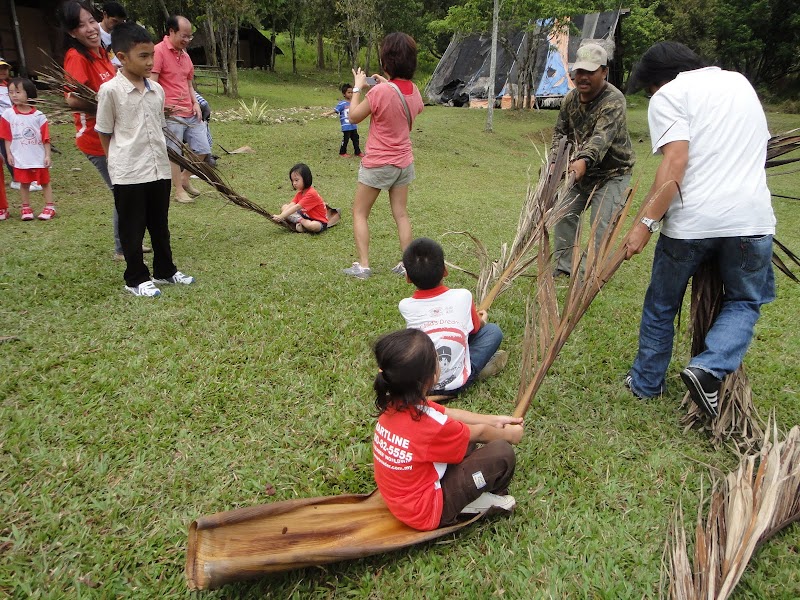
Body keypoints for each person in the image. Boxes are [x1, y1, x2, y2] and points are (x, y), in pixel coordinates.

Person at [623, 42, 776, 418]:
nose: (650, 97)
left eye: (648, 90)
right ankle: (710, 365)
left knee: (661, 304)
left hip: (690, 224)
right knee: (745, 300)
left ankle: (645, 384)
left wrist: (645, 223)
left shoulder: (670, 95)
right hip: (751, 219)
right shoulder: (740, 84)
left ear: (661, 79)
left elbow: (675, 162)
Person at [372, 328, 524, 531]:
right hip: (427, 511)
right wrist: (509, 435)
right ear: (429, 378)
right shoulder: (429, 426)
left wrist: (493, 420)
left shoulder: (397, 405)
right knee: (501, 453)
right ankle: (471, 503)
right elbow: (478, 433)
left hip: (400, 500)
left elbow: (448, 413)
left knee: (463, 440)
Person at [96, 22, 195, 297]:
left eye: (151, 54)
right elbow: (105, 132)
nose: (150, 61)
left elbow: (159, 128)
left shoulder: (156, 91)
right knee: (133, 228)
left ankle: (165, 271)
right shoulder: (110, 91)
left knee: (160, 226)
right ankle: (135, 278)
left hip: (158, 169)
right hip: (129, 172)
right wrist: (116, 161)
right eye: (143, 56)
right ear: (122, 56)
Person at [61, 0, 149, 259]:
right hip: (95, 139)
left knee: (129, 189)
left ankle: (128, 240)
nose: (90, 28)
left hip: (116, 135)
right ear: (71, 32)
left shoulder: (101, 52)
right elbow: (72, 99)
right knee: (123, 191)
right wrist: (108, 102)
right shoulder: (76, 57)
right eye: (81, 25)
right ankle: (123, 247)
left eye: (91, 21)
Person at [342, 32, 424, 280]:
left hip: (378, 163)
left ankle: (364, 265)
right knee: (401, 213)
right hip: (404, 163)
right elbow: (409, 106)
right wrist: (386, 84)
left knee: (359, 212)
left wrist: (358, 86)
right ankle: (408, 265)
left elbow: (353, 116)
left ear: (386, 61)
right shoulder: (414, 90)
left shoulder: (379, 93)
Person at [551, 43, 634, 277]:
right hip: (580, 172)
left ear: (604, 72)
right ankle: (563, 267)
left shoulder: (614, 100)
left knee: (601, 223)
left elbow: (601, 138)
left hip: (612, 173)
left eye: (590, 71)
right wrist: (555, 162)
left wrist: (583, 161)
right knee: (564, 213)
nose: (583, 77)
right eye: (579, 72)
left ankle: (588, 273)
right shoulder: (570, 99)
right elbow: (560, 134)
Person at [399, 238, 508, 396]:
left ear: (408, 277)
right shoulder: (463, 296)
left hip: (422, 385)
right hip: (457, 384)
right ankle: (477, 370)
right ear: (445, 270)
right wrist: (482, 320)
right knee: (493, 331)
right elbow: (475, 329)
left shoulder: (405, 305)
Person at [152, 15, 210, 204]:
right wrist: (161, 107)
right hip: (171, 114)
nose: (186, 40)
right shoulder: (158, 51)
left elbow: (189, 83)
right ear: (171, 32)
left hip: (189, 110)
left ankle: (185, 179)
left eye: (189, 37)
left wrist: (195, 103)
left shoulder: (185, 55)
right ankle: (178, 190)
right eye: (183, 36)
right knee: (174, 154)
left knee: (203, 149)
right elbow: (153, 82)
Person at [0, 78, 55, 221]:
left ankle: (49, 206)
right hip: (20, 156)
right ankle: (26, 207)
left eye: (18, 92)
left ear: (29, 93)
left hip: (38, 155)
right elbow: (7, 137)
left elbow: (45, 138)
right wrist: (9, 154)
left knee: (44, 181)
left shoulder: (39, 116)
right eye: (11, 92)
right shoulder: (8, 114)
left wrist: (47, 155)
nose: (14, 95)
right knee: (23, 183)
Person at [271, 163, 340, 233]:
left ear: (305, 179)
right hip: (304, 215)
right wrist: (282, 214)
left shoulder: (311, 193)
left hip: (318, 221)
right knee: (284, 207)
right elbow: (292, 204)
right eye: (292, 181)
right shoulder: (300, 193)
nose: (294, 183)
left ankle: (300, 223)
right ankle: (300, 223)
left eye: (296, 180)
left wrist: (281, 216)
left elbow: (296, 207)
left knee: (313, 225)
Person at [323, 83, 363, 158]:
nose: (351, 94)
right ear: (344, 94)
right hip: (346, 126)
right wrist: (327, 114)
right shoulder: (342, 104)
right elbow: (335, 110)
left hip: (353, 125)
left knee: (356, 139)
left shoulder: (354, 103)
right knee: (346, 139)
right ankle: (342, 152)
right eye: (349, 92)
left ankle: (357, 152)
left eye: (352, 92)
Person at [98, 1, 126, 68]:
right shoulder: (95, 33)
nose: (117, 25)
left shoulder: (119, 35)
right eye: (114, 21)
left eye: (120, 23)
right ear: (105, 15)